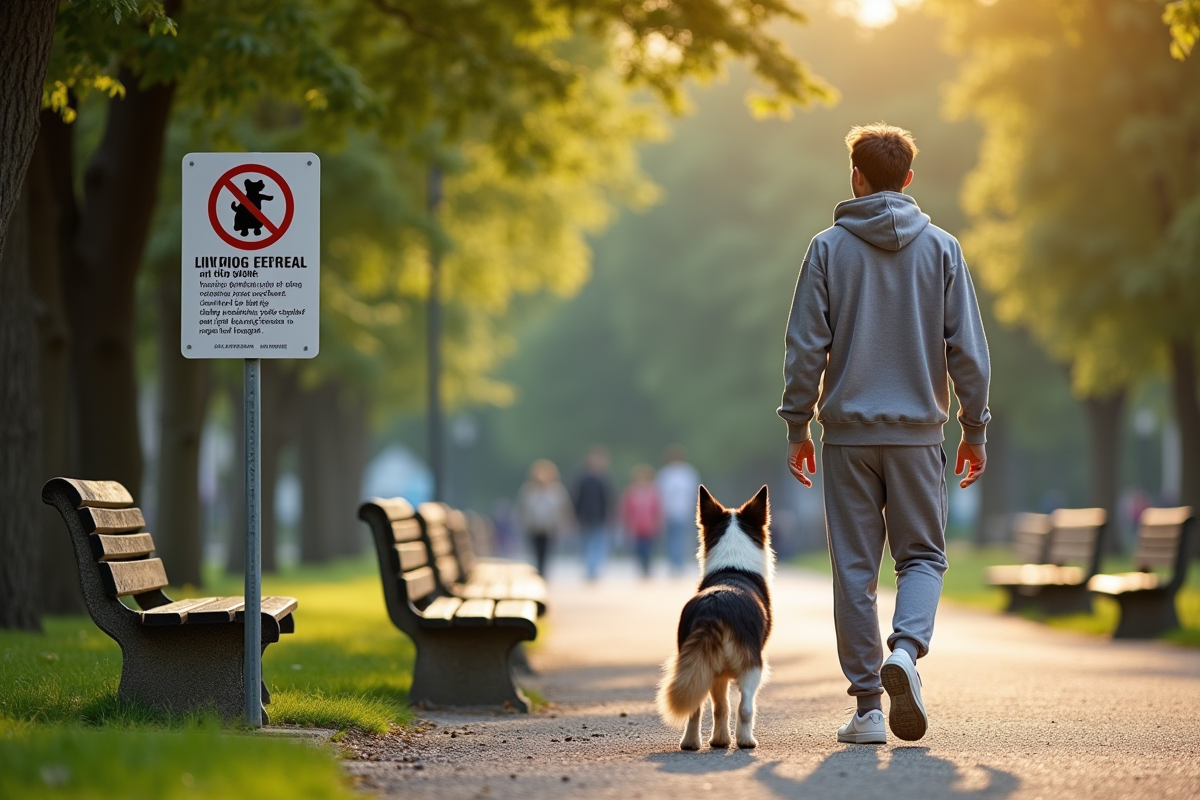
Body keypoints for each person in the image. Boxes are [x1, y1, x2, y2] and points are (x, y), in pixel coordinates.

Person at [779, 123, 990, 745]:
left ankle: (869, 709)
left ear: (857, 177)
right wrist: (974, 428)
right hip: (919, 436)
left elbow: (804, 347)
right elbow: (969, 353)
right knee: (922, 556)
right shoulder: (943, 249)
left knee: (853, 568)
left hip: (846, 437)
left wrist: (798, 424)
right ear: (909, 179)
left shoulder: (826, 249)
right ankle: (905, 651)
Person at [515, 459, 574, 578]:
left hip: (550, 527)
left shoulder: (556, 490)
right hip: (533, 527)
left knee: (546, 551)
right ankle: (539, 570)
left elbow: (563, 508)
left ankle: (542, 572)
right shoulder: (529, 489)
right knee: (536, 551)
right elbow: (522, 508)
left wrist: (564, 522)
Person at [656, 445, 700, 575]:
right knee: (675, 539)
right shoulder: (681, 473)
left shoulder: (677, 473)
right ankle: (676, 563)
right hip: (671, 512)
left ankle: (677, 563)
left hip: (681, 511)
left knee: (678, 538)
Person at [573, 447, 613, 581]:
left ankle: (592, 569)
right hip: (590, 517)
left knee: (593, 543)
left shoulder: (589, 480)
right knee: (592, 543)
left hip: (594, 517)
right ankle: (592, 568)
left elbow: (607, 500)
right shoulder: (597, 480)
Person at [621, 464, 662, 578]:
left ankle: (647, 568)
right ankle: (642, 566)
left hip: (649, 526)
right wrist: (626, 524)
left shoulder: (653, 493)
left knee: (647, 548)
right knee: (638, 548)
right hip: (635, 526)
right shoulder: (631, 492)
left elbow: (657, 510)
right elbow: (626, 509)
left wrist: (658, 524)